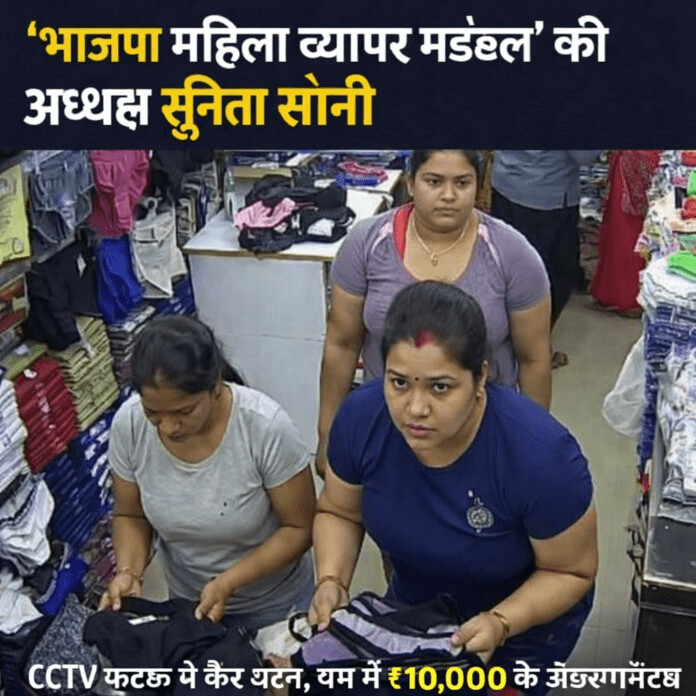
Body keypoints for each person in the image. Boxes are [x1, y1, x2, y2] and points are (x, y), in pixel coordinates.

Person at [310, 282, 597, 696]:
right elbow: (339, 511)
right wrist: (332, 581)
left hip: (522, 624)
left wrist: (501, 622)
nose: (415, 408)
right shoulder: (362, 419)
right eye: (399, 382)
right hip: (419, 601)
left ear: (481, 376)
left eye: (440, 387)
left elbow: (571, 570)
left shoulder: (539, 456)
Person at [317, 149, 552, 477]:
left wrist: (532, 446)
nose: (449, 195)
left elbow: (534, 360)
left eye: (462, 183)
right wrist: (328, 434)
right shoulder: (367, 245)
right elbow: (342, 344)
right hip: (390, 426)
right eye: (434, 181)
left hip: (480, 432)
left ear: (479, 185)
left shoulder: (511, 254)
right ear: (410, 183)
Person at [99, 315, 316, 632]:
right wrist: (129, 573)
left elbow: (300, 529)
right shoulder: (129, 425)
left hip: (274, 607)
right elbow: (131, 515)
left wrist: (228, 582)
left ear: (215, 387)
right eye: (153, 413)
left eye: (183, 411)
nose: (168, 427)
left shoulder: (265, 428)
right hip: (190, 603)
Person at [491, 150, 600, 368]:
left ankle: (504, 342)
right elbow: (584, 156)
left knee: (506, 268)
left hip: (505, 182)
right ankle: (532, 348)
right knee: (554, 276)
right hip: (546, 197)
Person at [591, 150, 660, 315]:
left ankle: (626, 296)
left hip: (636, 160)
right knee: (621, 229)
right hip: (635, 160)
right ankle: (613, 293)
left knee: (626, 230)